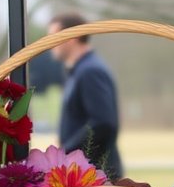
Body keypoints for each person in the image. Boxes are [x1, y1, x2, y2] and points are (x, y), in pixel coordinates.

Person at [48, 11, 123, 178]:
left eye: (54, 37)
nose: (50, 44)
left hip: (95, 175)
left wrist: (66, 153)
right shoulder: (79, 71)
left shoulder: (90, 71)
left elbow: (104, 123)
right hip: (85, 172)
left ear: (74, 37)